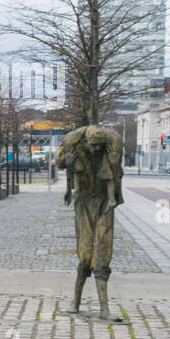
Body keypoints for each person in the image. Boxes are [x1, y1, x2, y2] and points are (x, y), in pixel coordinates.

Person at [56, 125, 124, 319]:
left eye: (99, 146)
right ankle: (75, 301)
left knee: (103, 252)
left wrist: (115, 163)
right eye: (93, 146)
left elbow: (115, 180)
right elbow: (59, 162)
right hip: (84, 203)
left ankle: (104, 308)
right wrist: (68, 164)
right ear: (85, 143)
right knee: (85, 254)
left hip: (104, 204)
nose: (96, 150)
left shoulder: (109, 149)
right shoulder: (73, 146)